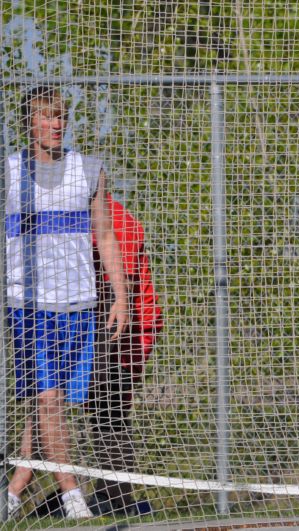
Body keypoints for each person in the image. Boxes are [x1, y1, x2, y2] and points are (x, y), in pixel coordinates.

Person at [5, 85, 128, 519]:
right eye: (47, 116)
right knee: (49, 401)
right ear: (29, 123)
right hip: (28, 304)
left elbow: (107, 236)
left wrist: (120, 297)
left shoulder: (88, 169)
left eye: (61, 116)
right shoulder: (10, 172)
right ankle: (72, 495)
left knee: (50, 400)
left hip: (79, 302)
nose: (57, 124)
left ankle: (16, 487)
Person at [84, 193, 162, 516]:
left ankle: (117, 498)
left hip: (128, 327)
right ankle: (105, 492)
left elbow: (123, 287)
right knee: (94, 406)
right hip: (97, 324)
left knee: (110, 407)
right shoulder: (75, 217)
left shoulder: (117, 220)